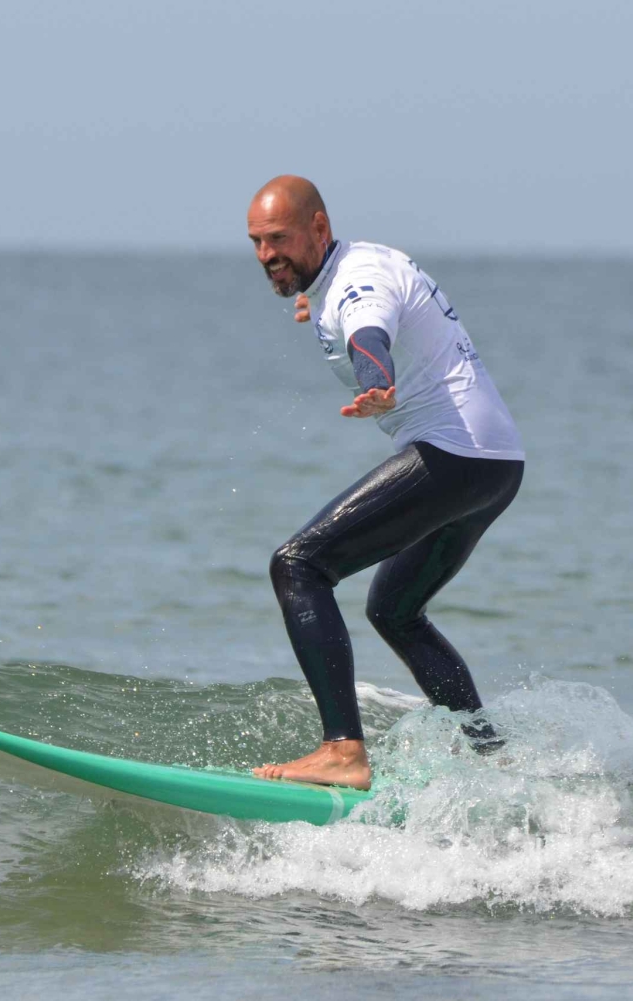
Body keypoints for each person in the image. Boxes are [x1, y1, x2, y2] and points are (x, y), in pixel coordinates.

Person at [246, 176, 525, 790]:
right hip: (496, 463)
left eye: (280, 239)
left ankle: (343, 752)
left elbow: (368, 330)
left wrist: (375, 377)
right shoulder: (353, 266)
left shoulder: (355, 284)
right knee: (394, 610)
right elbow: (354, 307)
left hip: (452, 454)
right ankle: (492, 755)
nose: (267, 255)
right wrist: (312, 299)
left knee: (298, 566)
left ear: (319, 227)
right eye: (258, 243)